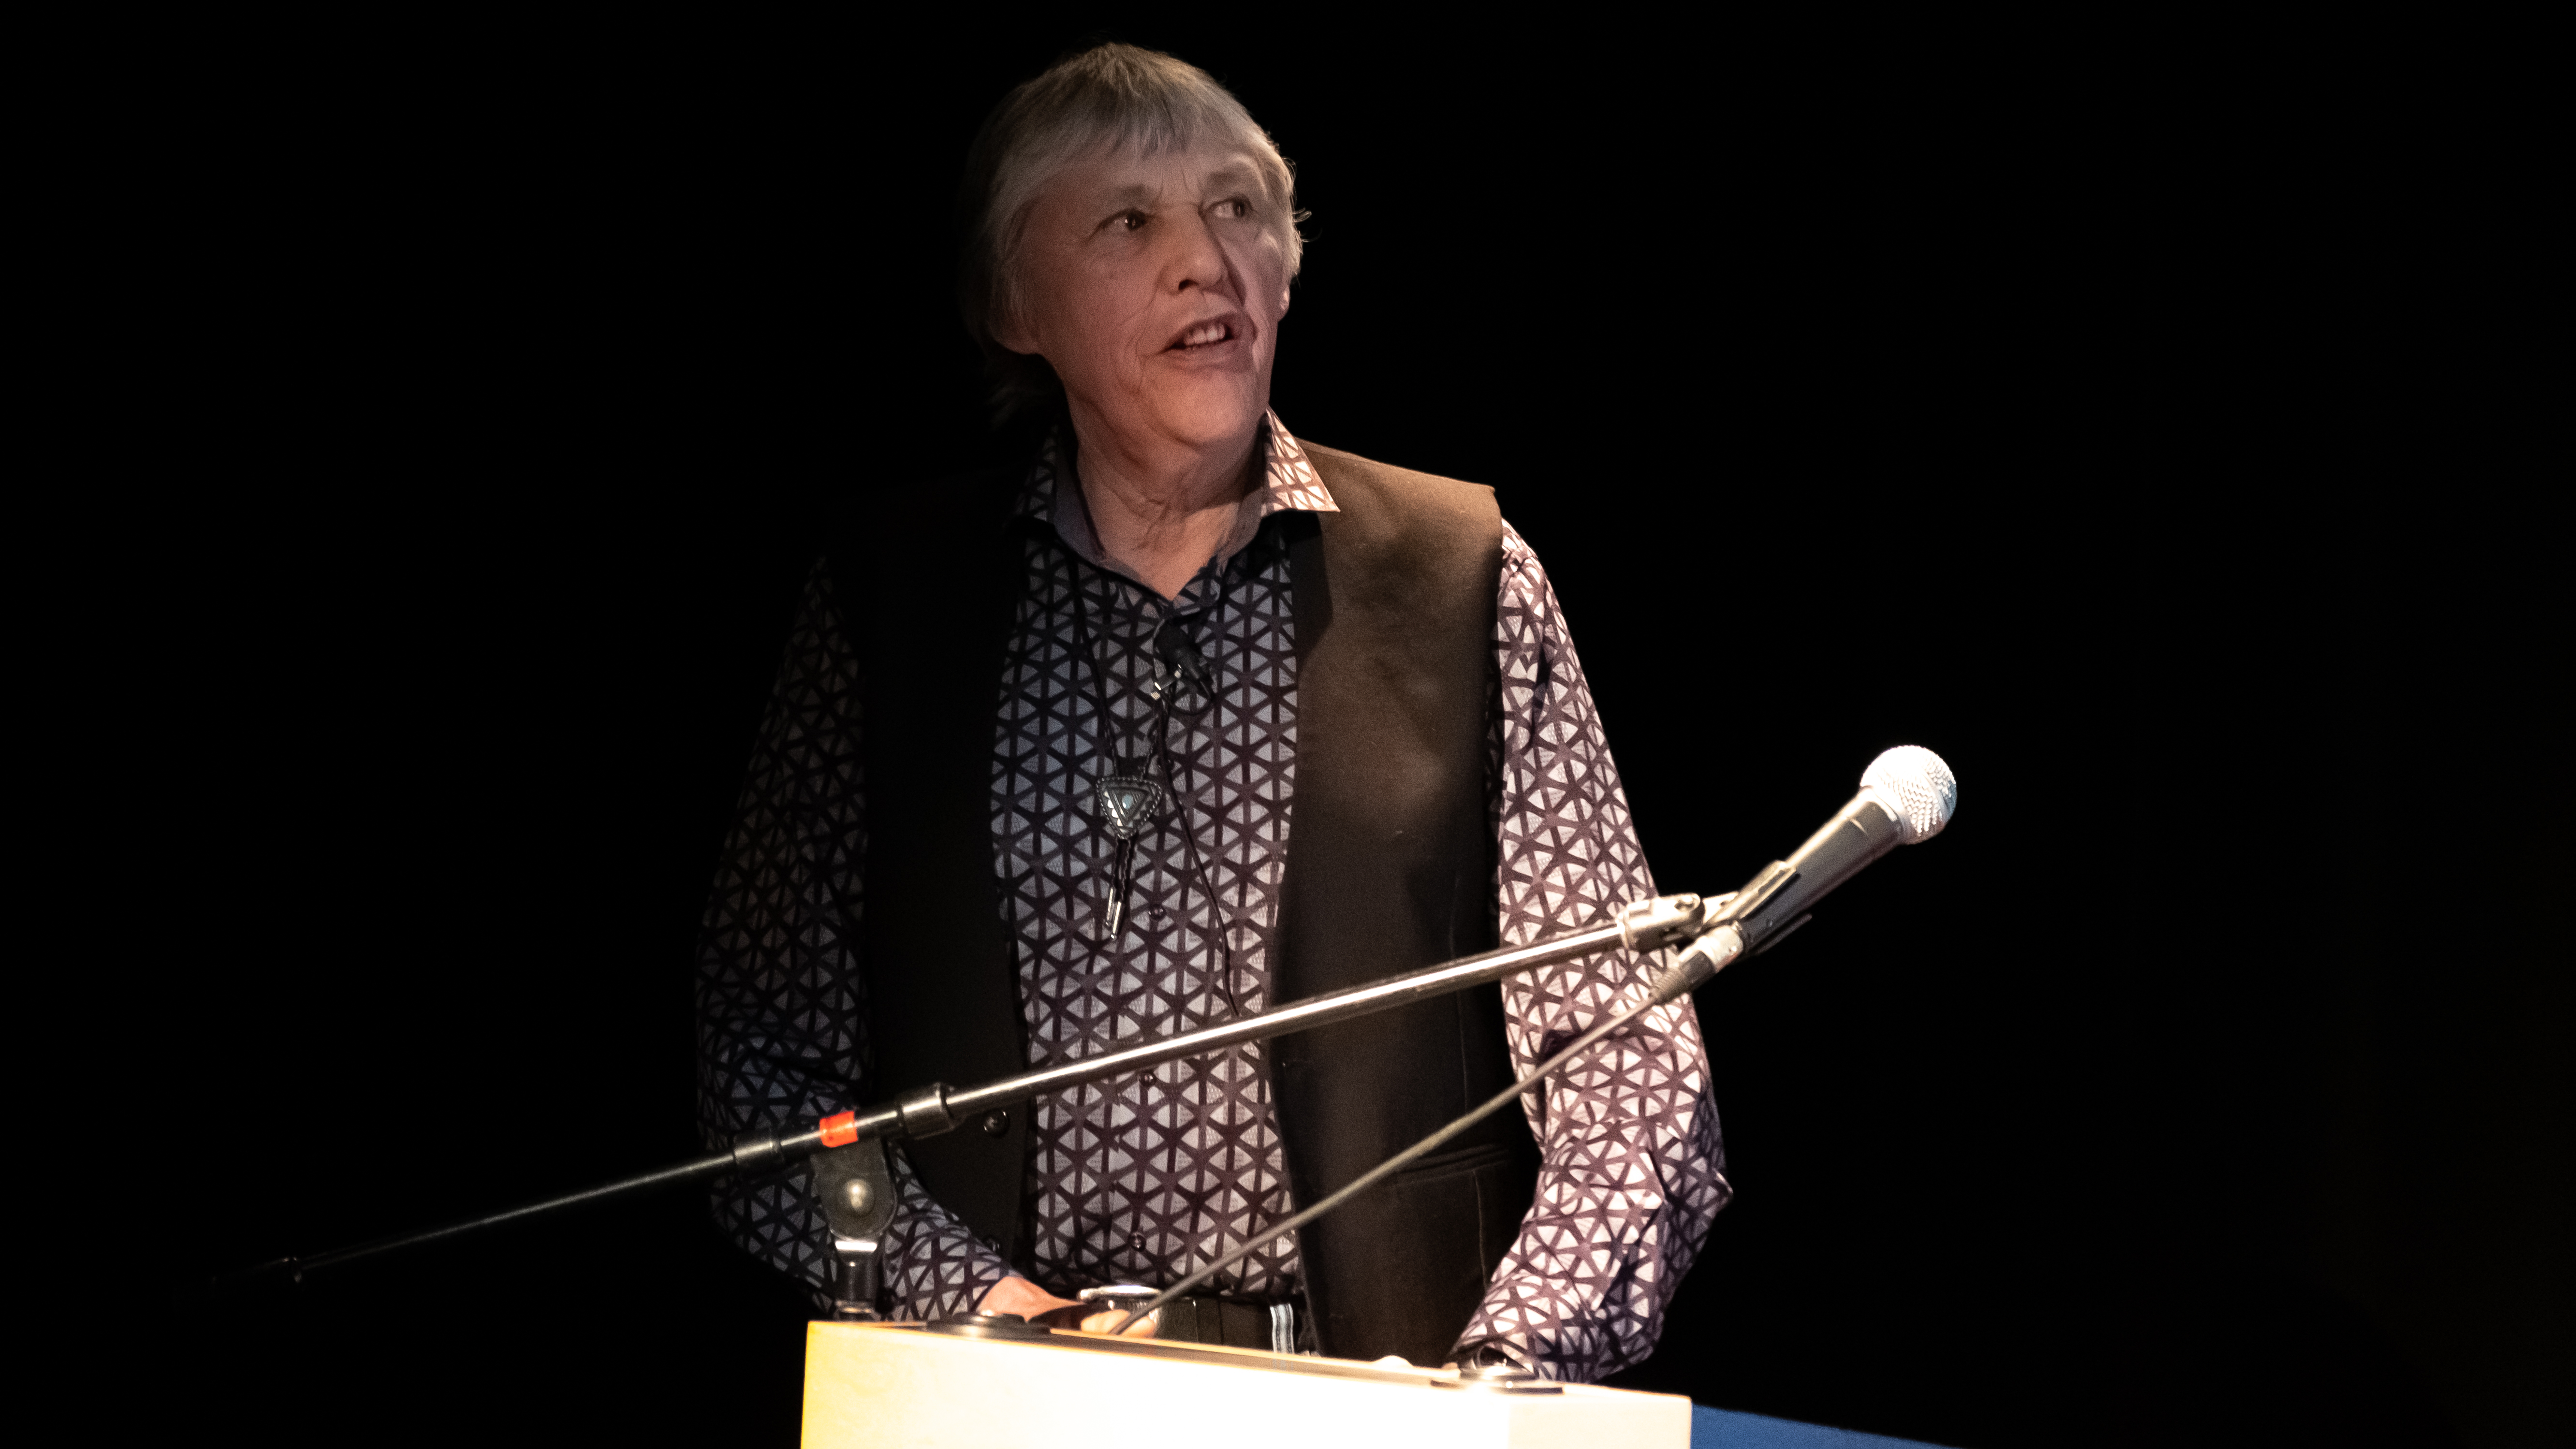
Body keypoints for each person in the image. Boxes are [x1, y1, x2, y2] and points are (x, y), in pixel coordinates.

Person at [694, 42, 1729, 1380]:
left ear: (1288, 268)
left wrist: (1505, 1374)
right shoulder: (889, 609)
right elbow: (760, 1069)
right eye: (1132, 220)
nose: (1206, 259)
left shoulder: (1461, 579)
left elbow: (1632, 1067)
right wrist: (972, 1305)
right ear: (1017, 302)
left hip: (1385, 1400)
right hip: (989, 1399)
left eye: (1240, 207)